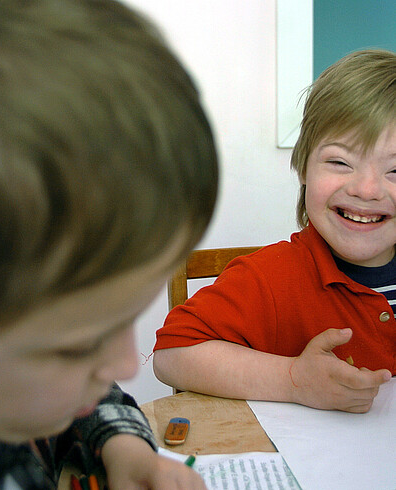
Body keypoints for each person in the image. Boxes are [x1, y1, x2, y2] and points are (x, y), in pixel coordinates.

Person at [0, 0, 218, 488]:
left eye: (126, 320)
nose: (123, 363)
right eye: (77, 347)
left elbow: (86, 400)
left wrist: (125, 446)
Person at [153, 49, 395, 414]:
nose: (366, 189)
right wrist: (293, 379)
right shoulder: (269, 278)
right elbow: (172, 354)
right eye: (340, 162)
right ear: (302, 168)